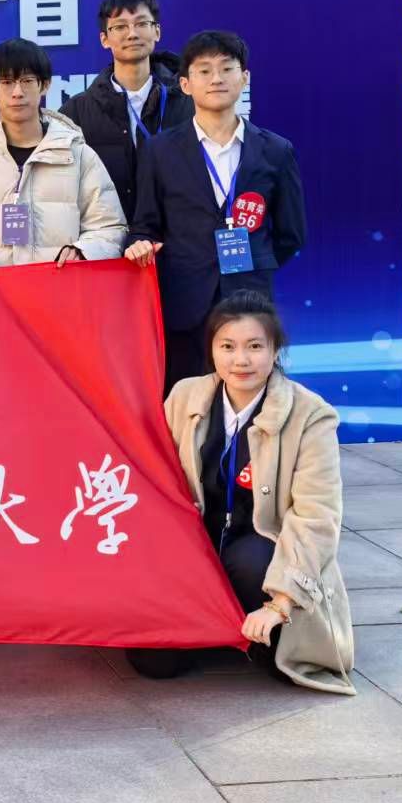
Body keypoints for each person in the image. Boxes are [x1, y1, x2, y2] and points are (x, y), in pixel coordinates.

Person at [128, 291, 353, 693]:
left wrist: (280, 602)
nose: (241, 360)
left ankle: (267, 632)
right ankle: (212, 628)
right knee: (153, 663)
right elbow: (153, 482)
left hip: (264, 554)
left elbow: (317, 516)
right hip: (195, 548)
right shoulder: (184, 396)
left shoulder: (311, 414)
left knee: (253, 561)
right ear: (212, 350)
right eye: (227, 346)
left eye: (255, 347)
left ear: (275, 350)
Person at [125, 30, 306, 390]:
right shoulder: (159, 151)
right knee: (187, 401)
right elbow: (145, 224)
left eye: (227, 68)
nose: (216, 79)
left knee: (252, 398)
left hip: (250, 302)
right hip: (184, 304)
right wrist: (139, 243)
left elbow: (291, 235)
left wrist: (251, 264)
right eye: (204, 71)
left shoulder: (275, 150)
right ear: (186, 84)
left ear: (245, 77)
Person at [0, 38, 126, 272]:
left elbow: (109, 228)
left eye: (27, 81)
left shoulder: (79, 157)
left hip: (60, 290)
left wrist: (83, 250)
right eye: (7, 82)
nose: (17, 92)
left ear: (44, 85)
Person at [61, 0, 192, 222]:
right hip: (107, 236)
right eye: (120, 27)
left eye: (141, 24)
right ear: (104, 39)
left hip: (178, 236)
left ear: (157, 32)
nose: (132, 34)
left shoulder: (189, 102)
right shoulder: (76, 112)